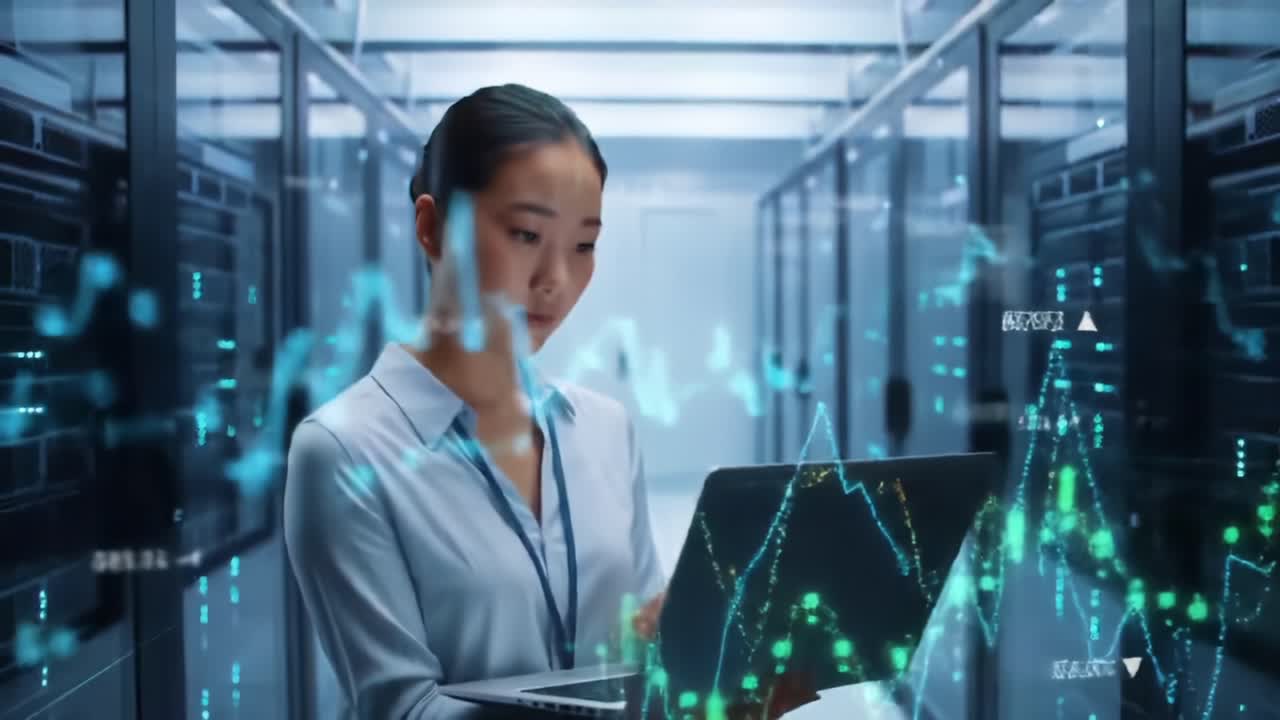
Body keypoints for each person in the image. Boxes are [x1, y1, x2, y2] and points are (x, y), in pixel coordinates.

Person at [284, 83, 815, 720]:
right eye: (527, 234)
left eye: (584, 245)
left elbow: (639, 650)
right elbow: (405, 709)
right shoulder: (344, 450)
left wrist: (708, 681)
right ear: (430, 227)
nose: (556, 281)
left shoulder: (604, 428)